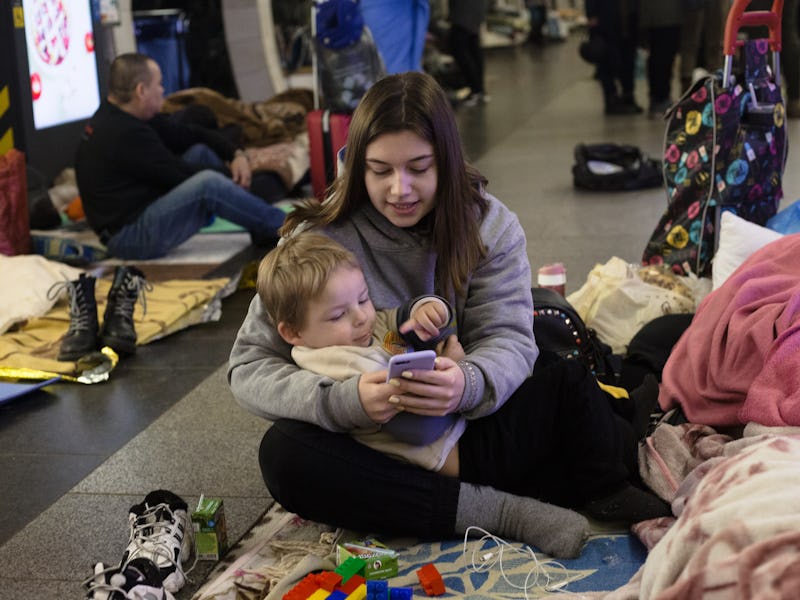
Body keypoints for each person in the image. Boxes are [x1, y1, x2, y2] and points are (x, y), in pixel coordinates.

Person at [229, 71, 670, 559]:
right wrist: (342, 402)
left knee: (568, 391)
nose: (400, 189)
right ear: (356, 166)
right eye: (379, 171)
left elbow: (509, 339)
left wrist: (466, 383)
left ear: (447, 159)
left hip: (465, 430)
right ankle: (498, 511)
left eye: (419, 167)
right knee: (284, 457)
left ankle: (636, 389)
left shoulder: (489, 224)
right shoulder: (315, 241)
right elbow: (249, 367)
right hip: (367, 443)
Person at [257, 232, 465, 474]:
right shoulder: (340, 364)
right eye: (337, 315)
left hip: (451, 430)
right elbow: (419, 430)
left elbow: (396, 320)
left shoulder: (360, 329)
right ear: (293, 333)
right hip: (437, 458)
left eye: (364, 299)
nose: (361, 317)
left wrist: (426, 311)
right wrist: (451, 367)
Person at [75, 53, 287, 260]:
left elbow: (189, 133)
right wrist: (235, 178)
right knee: (209, 184)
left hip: (141, 208)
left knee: (200, 153)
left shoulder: (123, 114)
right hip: (129, 237)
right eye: (158, 84)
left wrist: (235, 154)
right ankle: (285, 226)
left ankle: (258, 221)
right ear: (141, 90)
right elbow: (177, 173)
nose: (163, 90)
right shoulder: (123, 134)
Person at [585, 0, 642, 115]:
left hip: (628, 19)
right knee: (607, 61)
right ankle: (611, 99)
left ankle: (628, 96)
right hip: (606, 20)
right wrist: (591, 14)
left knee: (628, 60)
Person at [448, 0, 490, 106]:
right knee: (473, 47)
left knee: (460, 48)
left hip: (464, 12)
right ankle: (479, 90)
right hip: (474, 10)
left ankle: (476, 90)